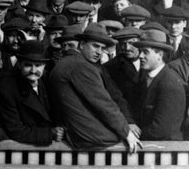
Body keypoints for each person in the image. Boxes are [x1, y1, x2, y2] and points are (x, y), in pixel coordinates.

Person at [48, 23, 142, 151]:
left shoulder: (67, 63)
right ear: (81, 45)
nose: (99, 52)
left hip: (74, 134)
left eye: (102, 48)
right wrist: (126, 132)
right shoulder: (81, 66)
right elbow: (103, 103)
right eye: (95, 46)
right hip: (89, 138)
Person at [0, 40, 64, 146]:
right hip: (20, 150)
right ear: (19, 64)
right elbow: (16, 131)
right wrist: (50, 133)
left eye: (38, 65)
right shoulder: (7, 88)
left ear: (44, 66)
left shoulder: (47, 82)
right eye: (28, 65)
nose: (33, 70)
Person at [134, 29, 186, 140]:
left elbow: (160, 131)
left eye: (145, 52)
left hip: (167, 150)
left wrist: (131, 134)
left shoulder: (170, 83)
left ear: (160, 55)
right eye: (140, 51)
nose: (140, 56)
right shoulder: (145, 76)